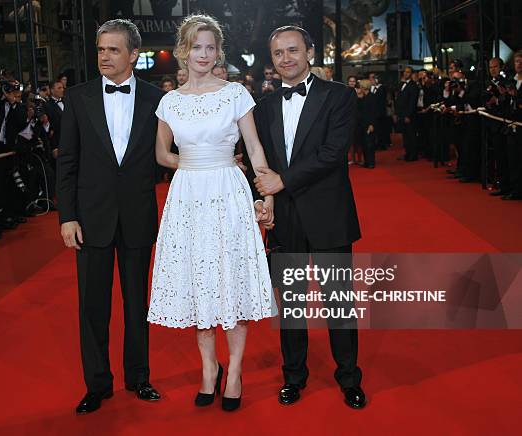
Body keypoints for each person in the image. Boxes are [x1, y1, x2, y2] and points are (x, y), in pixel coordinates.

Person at [147, 14, 275, 412]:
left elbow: (253, 148)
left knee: (230, 280)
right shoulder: (169, 101)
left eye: (210, 47)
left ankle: (234, 369)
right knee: (198, 281)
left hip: (228, 192)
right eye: (196, 47)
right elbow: (161, 154)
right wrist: (190, 164)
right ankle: (209, 367)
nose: (203, 54)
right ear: (183, 51)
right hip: (188, 195)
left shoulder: (235, 93)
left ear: (218, 52)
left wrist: (265, 190)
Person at [252, 25, 365, 409]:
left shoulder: (340, 96)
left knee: (338, 302)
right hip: (284, 218)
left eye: (292, 50)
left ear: (310, 52)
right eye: (279, 53)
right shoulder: (263, 106)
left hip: (329, 213)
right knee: (292, 305)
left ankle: (349, 377)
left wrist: (281, 181)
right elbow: (259, 162)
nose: (286, 59)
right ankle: (294, 376)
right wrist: (261, 195)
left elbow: (333, 153)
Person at [57, 19, 163, 415]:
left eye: (113, 50)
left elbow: (169, 154)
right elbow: (67, 162)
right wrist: (67, 216)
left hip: (137, 215)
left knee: (138, 305)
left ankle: (139, 378)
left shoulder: (156, 98)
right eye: (101, 49)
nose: (104, 56)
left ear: (134, 54)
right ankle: (97, 384)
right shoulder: (78, 97)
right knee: (92, 307)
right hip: (91, 218)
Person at [394, 67, 419, 161]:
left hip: (409, 115)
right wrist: (397, 113)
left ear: (411, 74)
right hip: (401, 114)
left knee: (411, 135)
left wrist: (408, 115)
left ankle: (413, 155)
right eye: (405, 72)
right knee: (405, 136)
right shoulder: (401, 84)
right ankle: (408, 153)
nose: (406, 74)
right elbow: (398, 99)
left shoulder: (413, 86)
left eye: (408, 72)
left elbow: (412, 102)